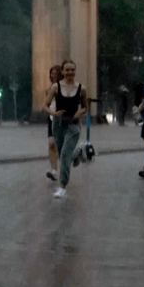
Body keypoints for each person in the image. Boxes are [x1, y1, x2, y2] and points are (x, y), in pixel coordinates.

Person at [44, 60, 88, 199]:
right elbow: (45, 105)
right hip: (58, 124)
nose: (70, 72)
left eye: (72, 70)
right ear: (62, 71)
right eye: (67, 70)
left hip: (73, 125)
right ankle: (77, 154)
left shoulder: (81, 88)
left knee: (63, 156)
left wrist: (78, 114)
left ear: (75, 71)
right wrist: (54, 113)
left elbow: (85, 107)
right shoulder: (55, 87)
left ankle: (62, 186)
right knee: (64, 152)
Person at [44, 64, 63, 181]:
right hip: (52, 119)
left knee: (61, 147)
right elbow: (47, 104)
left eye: (55, 73)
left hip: (62, 119)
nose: (53, 75)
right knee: (51, 144)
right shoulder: (49, 89)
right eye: (51, 73)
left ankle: (77, 154)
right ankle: (54, 171)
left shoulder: (64, 88)